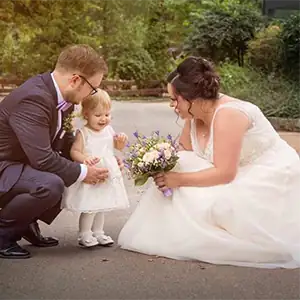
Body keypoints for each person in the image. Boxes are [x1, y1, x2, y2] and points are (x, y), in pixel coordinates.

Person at [118, 56, 300, 269]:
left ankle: (201, 231)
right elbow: (184, 151)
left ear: (192, 98)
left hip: (268, 173)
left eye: (175, 99)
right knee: (182, 162)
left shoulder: (228, 115)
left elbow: (225, 173)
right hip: (233, 169)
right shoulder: (194, 115)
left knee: (223, 204)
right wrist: (159, 160)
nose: (172, 105)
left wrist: (178, 180)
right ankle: (179, 231)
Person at [0, 44, 112, 259]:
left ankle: (24, 223)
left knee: (70, 170)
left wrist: (87, 159)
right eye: (93, 88)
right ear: (75, 80)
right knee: (51, 183)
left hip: (21, 164)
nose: (93, 93)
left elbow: (64, 142)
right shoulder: (34, 98)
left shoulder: (63, 97)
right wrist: (83, 173)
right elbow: (42, 158)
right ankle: (3, 234)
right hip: (5, 167)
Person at [61, 89, 129, 248]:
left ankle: (98, 232)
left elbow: (116, 147)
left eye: (107, 114)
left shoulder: (109, 130)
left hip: (106, 174)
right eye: (98, 115)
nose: (103, 119)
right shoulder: (84, 133)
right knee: (90, 206)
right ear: (86, 114)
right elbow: (74, 151)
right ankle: (85, 233)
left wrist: (121, 141)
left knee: (101, 206)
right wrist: (85, 159)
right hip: (92, 174)